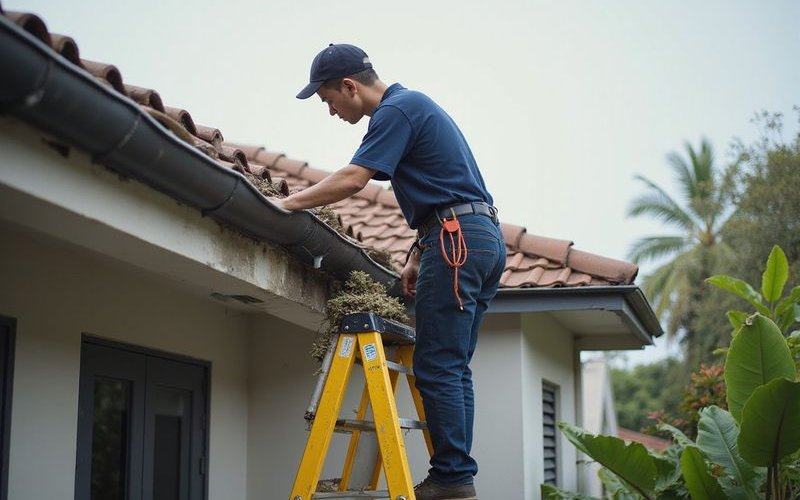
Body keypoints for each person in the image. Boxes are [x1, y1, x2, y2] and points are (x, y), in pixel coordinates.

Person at [274, 43, 505, 500]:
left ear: (349, 86)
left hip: (458, 241)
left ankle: (453, 478)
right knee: (453, 367)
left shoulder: (396, 110)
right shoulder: (412, 108)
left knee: (439, 365)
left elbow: (353, 178)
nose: (331, 111)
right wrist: (420, 252)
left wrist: (285, 203)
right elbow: (442, 185)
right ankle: (456, 473)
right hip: (473, 236)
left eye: (328, 100)